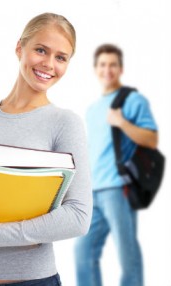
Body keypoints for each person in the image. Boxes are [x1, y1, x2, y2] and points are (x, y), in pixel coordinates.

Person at [0, 12, 92, 286]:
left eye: (61, 57)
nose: (48, 64)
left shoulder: (64, 124)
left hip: (30, 281)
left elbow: (78, 217)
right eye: (41, 50)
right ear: (19, 48)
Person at [74, 44, 158, 286]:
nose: (107, 69)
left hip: (117, 189)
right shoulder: (92, 109)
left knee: (127, 255)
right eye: (102, 64)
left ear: (120, 68)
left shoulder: (132, 100)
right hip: (93, 191)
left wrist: (122, 123)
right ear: (95, 69)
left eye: (112, 64)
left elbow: (151, 139)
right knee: (83, 252)